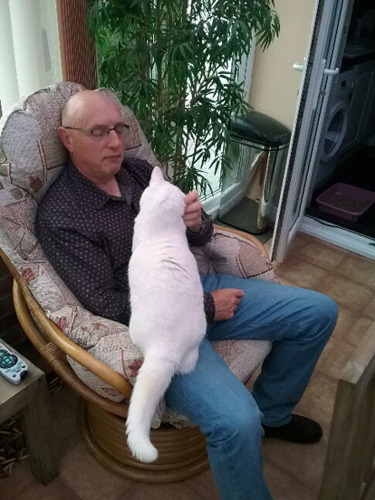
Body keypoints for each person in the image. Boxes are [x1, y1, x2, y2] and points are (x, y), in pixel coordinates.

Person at [36, 89, 338, 500]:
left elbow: (202, 234)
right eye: (98, 131)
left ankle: (275, 414)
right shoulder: (61, 216)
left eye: (119, 128)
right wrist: (204, 309)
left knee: (318, 312)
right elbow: (103, 304)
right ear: (67, 138)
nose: (115, 142)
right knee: (235, 422)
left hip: (196, 287)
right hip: (156, 329)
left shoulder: (140, 173)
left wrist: (196, 222)